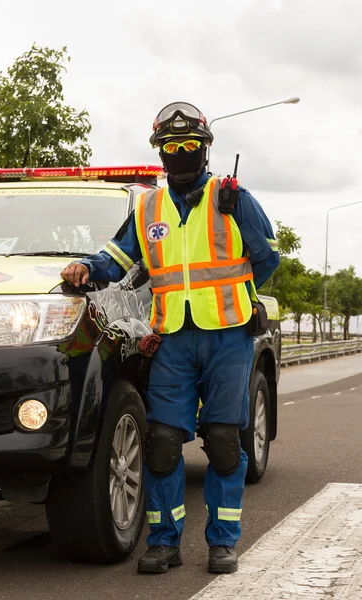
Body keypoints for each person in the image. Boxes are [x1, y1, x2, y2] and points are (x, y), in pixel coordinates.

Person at [61, 102, 280, 575]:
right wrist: (85, 268)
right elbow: (117, 258)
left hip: (227, 337)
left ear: (205, 149)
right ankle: (164, 543)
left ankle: (223, 543)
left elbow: (267, 259)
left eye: (190, 146)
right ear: (160, 152)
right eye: (171, 147)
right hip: (173, 338)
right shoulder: (149, 208)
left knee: (223, 441)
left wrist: (243, 298)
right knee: (161, 442)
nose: (181, 154)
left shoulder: (232, 197)